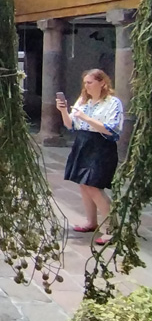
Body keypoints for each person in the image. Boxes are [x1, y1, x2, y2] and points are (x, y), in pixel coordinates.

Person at [56, 69, 123, 245]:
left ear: (102, 83)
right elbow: (71, 125)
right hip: (83, 143)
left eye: (90, 82)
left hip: (101, 146)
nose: (86, 86)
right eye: (85, 83)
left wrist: (86, 118)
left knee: (94, 186)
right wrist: (63, 111)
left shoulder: (112, 103)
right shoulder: (83, 101)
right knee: (84, 184)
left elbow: (111, 129)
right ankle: (91, 221)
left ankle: (111, 228)